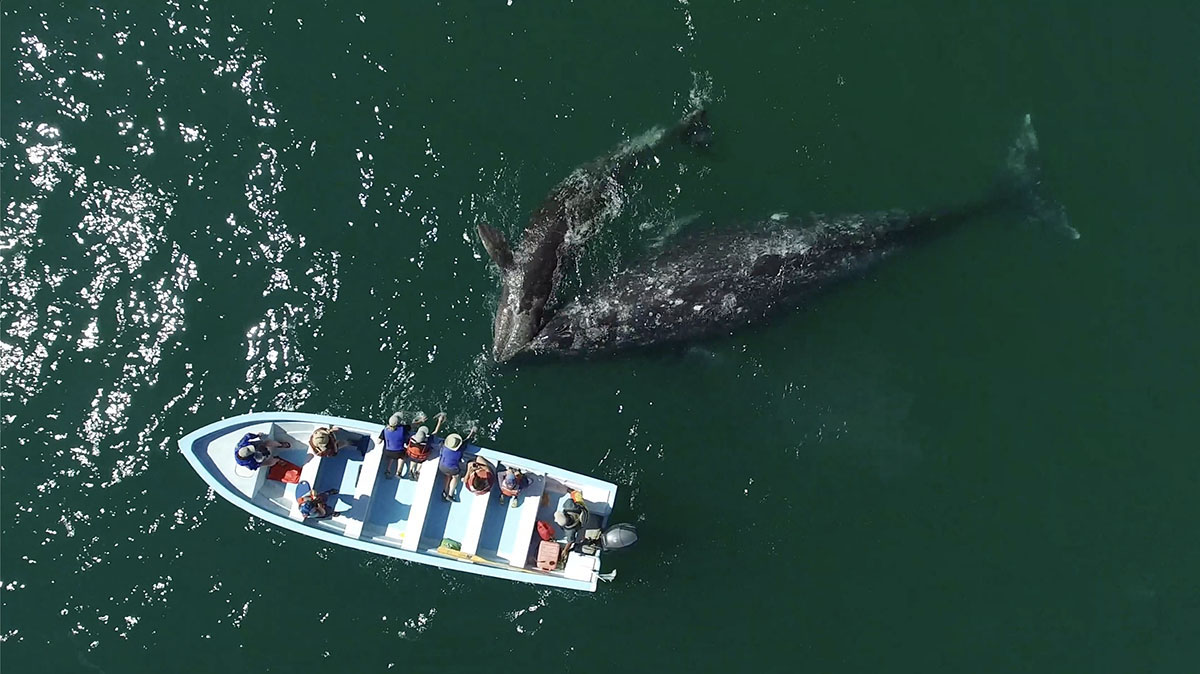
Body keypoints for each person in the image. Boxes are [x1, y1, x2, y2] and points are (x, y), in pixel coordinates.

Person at [378, 413, 423, 479]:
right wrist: (420, 421)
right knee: (402, 456)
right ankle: (398, 472)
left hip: (387, 452)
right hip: (399, 452)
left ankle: (388, 470)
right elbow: (412, 426)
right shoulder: (402, 428)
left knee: (392, 453)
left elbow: (378, 441)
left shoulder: (384, 431)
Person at [402, 413, 443, 479]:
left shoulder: (412, 439)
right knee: (420, 460)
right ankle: (417, 471)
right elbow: (435, 432)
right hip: (421, 458)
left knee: (414, 458)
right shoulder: (428, 441)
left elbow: (411, 427)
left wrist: (419, 421)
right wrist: (439, 421)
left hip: (411, 455)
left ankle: (411, 470)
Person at [438, 432, 467, 501]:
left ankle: (445, 491)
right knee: (455, 476)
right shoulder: (459, 451)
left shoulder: (444, 447)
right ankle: (450, 494)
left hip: (442, 466)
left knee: (448, 474)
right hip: (452, 469)